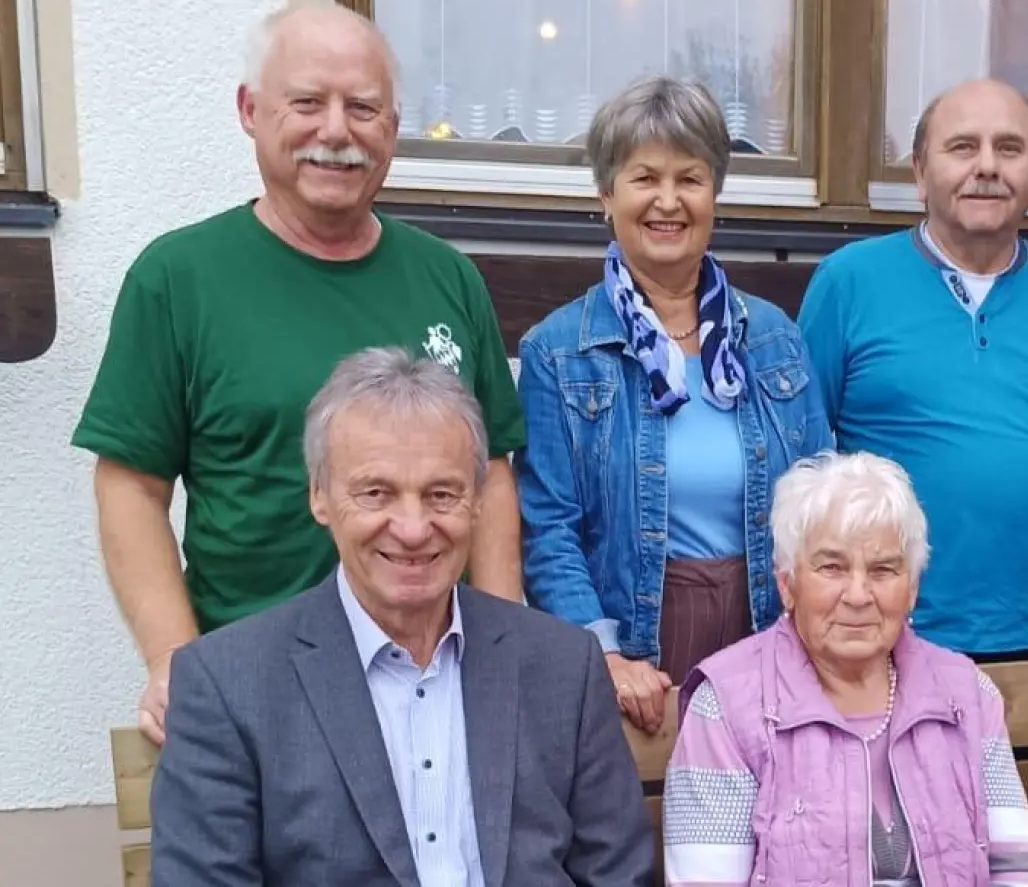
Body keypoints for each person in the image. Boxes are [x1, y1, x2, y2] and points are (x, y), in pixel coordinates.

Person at [70, 3, 526, 747]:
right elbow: (131, 486)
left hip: (432, 680)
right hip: (259, 688)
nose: (337, 131)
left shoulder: (448, 279)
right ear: (251, 110)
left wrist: (504, 642)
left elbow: (493, 476)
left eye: (363, 107)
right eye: (308, 102)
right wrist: (174, 658)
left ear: (394, 123)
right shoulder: (178, 279)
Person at [150, 348, 654, 887]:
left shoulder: (564, 666)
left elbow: (618, 875)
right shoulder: (227, 685)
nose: (413, 529)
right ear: (319, 496)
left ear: (478, 500)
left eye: (442, 494)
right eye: (376, 493)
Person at [797, 77, 1028, 661]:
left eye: (1009, 148)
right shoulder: (848, 284)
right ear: (920, 174)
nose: (986, 167)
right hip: (880, 642)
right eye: (962, 147)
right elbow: (794, 464)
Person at [516, 75, 832, 734]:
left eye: (689, 178)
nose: (668, 201)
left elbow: (824, 505)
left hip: (770, 642)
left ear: (714, 192)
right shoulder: (556, 352)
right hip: (638, 653)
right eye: (643, 179)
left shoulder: (773, 336)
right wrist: (603, 653)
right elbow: (550, 530)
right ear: (607, 194)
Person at [662, 450, 1028, 885]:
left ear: (912, 588)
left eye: (883, 570)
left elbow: (1013, 872)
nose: (859, 595)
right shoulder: (727, 706)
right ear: (787, 583)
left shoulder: (968, 694)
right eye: (832, 568)